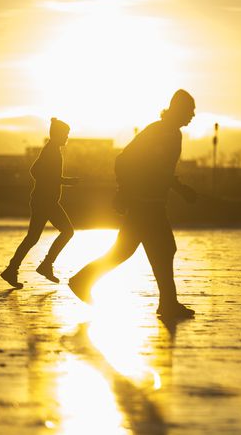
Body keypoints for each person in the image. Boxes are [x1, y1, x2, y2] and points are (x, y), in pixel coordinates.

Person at [69, 89, 198, 319]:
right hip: (144, 204)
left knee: (128, 250)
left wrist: (180, 189)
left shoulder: (172, 134)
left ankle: (82, 280)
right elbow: (124, 160)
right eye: (190, 110)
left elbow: (161, 171)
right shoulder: (156, 132)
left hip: (152, 203)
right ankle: (167, 304)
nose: (193, 115)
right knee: (163, 248)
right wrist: (124, 190)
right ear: (178, 109)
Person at [0, 117, 80, 289]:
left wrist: (57, 181)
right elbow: (39, 172)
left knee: (32, 238)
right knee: (67, 231)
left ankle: (12, 269)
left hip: (42, 200)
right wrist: (65, 181)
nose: (67, 137)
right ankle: (45, 265)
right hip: (46, 201)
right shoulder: (52, 151)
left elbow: (35, 170)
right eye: (65, 134)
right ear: (58, 134)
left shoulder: (50, 149)